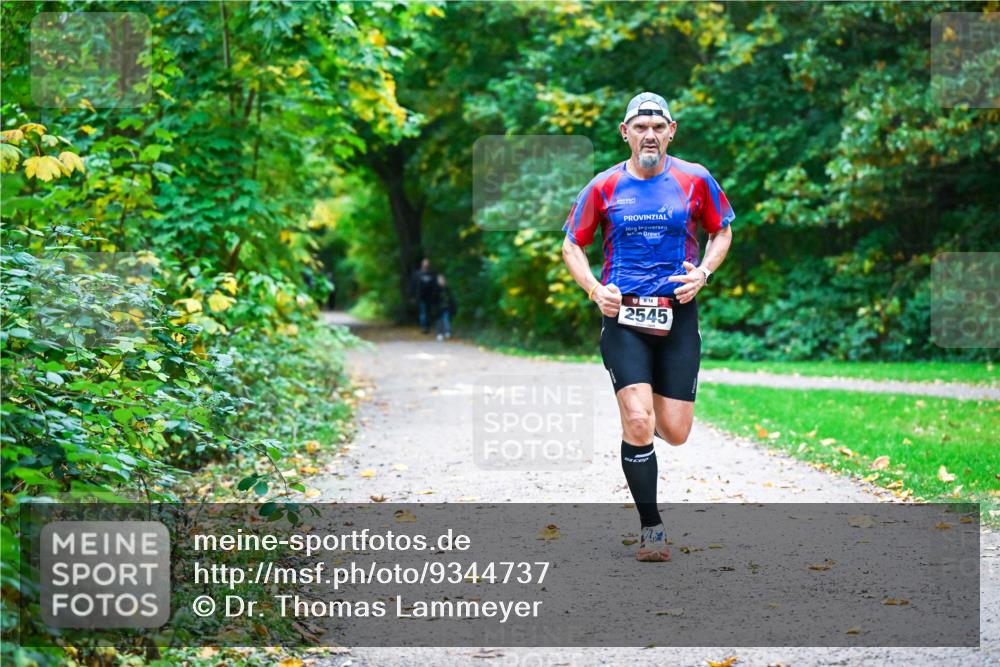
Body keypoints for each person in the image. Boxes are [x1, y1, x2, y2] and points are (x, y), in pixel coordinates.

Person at [561, 92, 735, 562]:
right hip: (623, 317)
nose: (650, 135)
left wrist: (703, 274)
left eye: (658, 126)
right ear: (625, 133)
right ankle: (651, 528)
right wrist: (596, 290)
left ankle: (646, 419)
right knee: (639, 421)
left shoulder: (694, 179)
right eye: (640, 127)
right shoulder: (602, 186)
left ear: (671, 131)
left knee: (674, 432)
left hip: (677, 313)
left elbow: (722, 230)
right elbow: (571, 246)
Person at [413, 258, 437, 334]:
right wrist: (413, 296)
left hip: (430, 297)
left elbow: (435, 285)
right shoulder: (417, 274)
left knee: (428, 312)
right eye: (424, 263)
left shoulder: (432, 274)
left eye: (427, 263)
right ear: (422, 264)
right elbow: (413, 285)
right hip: (420, 297)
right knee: (423, 312)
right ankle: (424, 327)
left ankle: (428, 326)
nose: (426, 264)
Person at [433, 273, 456, 341]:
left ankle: (447, 332)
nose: (441, 281)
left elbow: (451, 299)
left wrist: (453, 307)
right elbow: (433, 300)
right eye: (440, 280)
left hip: (446, 308)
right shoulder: (436, 289)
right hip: (438, 309)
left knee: (446, 320)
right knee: (439, 321)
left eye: (442, 280)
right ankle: (439, 333)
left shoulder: (447, 289)